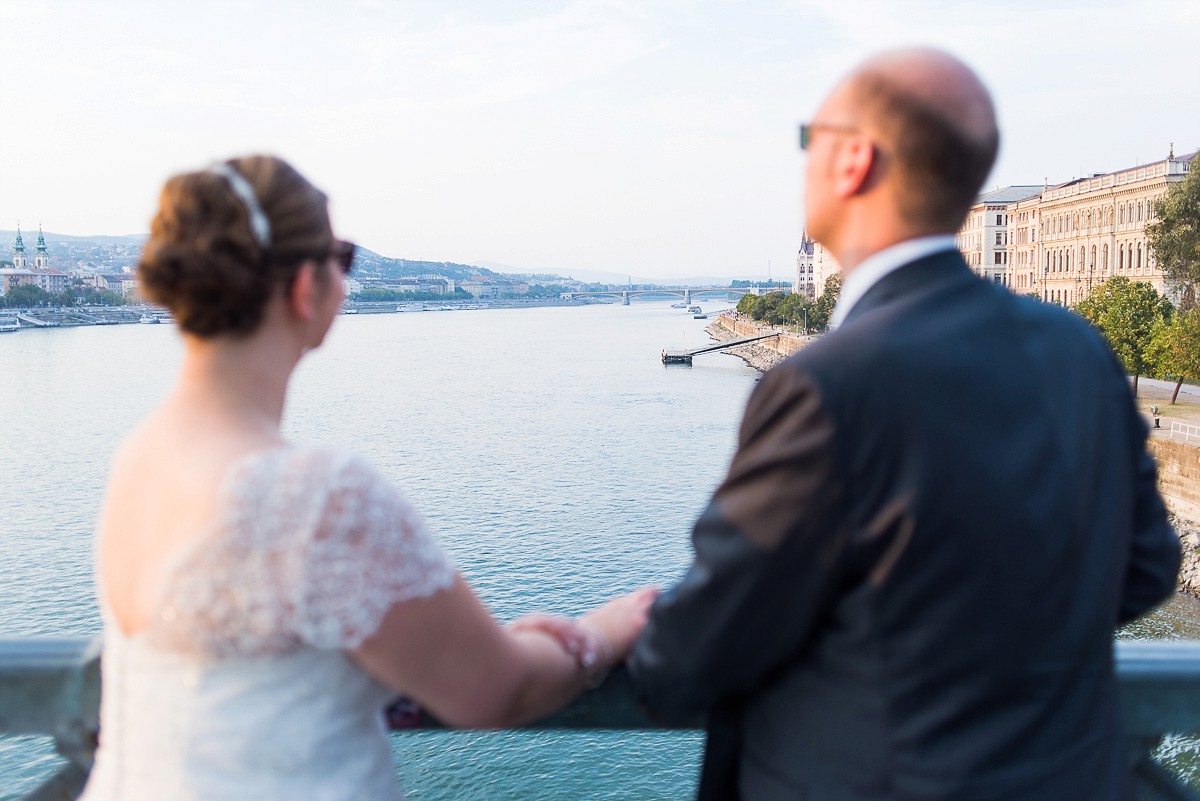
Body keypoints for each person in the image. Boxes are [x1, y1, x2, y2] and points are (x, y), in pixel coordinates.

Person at [628, 48, 1180, 801]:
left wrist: (609, 630)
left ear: (854, 160)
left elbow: (691, 659)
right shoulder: (1077, 350)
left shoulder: (825, 384)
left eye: (809, 139)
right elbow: (1147, 566)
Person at [80, 155, 656, 801]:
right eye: (343, 258)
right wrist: (600, 635)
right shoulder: (312, 495)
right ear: (305, 286)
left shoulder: (138, 458)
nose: (345, 280)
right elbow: (493, 689)